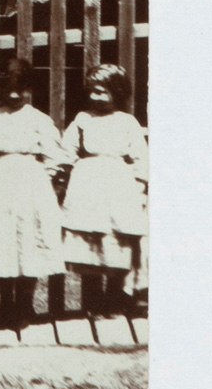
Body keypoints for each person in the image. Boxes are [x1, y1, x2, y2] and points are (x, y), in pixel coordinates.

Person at [0, 58, 71, 332]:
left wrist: (41, 180)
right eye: (8, 89)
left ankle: (24, 305)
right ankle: (1, 305)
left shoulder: (39, 120)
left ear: (29, 89)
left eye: (20, 89)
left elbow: (54, 156)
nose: (14, 95)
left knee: (27, 241)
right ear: (0, 87)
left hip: (29, 188)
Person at [62, 63, 149, 318]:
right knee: (89, 240)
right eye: (93, 91)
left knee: (116, 241)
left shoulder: (127, 122)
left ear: (117, 92)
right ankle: (92, 302)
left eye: (102, 92)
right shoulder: (83, 119)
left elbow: (141, 157)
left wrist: (139, 184)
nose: (96, 97)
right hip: (87, 187)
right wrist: (67, 170)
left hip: (118, 187)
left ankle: (115, 300)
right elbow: (67, 150)